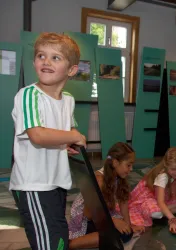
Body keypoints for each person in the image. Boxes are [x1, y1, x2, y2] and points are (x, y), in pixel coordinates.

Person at [9, 32, 87, 250]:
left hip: (56, 181)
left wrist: (68, 141)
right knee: (48, 243)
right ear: (34, 62)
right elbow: (38, 135)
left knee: (59, 235)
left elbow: (65, 128)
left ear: (71, 70)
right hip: (33, 184)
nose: (46, 61)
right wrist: (72, 136)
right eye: (41, 56)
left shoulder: (68, 100)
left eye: (55, 57)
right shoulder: (28, 95)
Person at [68, 142, 144, 249]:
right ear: (115, 163)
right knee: (113, 236)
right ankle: (70, 244)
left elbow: (123, 203)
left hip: (103, 215)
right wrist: (112, 222)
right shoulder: (99, 180)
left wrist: (129, 226)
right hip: (85, 220)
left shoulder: (119, 177)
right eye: (128, 165)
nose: (131, 169)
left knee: (126, 234)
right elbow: (88, 214)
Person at [128, 148, 176, 234]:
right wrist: (172, 218)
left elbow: (172, 192)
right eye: (173, 169)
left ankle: (169, 210)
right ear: (166, 165)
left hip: (163, 195)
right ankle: (173, 210)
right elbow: (160, 202)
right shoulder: (162, 176)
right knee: (156, 213)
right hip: (148, 197)